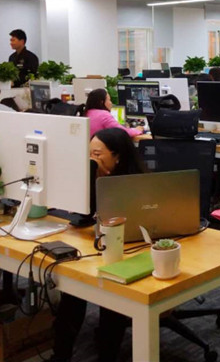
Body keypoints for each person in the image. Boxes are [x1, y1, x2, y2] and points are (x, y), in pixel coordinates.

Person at [50, 128, 147, 362]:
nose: (91, 159)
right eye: (89, 154)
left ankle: (107, 354)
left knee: (113, 293)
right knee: (73, 288)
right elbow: (83, 215)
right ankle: (60, 355)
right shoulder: (92, 177)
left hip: (130, 251)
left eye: (97, 154)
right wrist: (93, 180)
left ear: (118, 157)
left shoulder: (137, 184)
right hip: (95, 248)